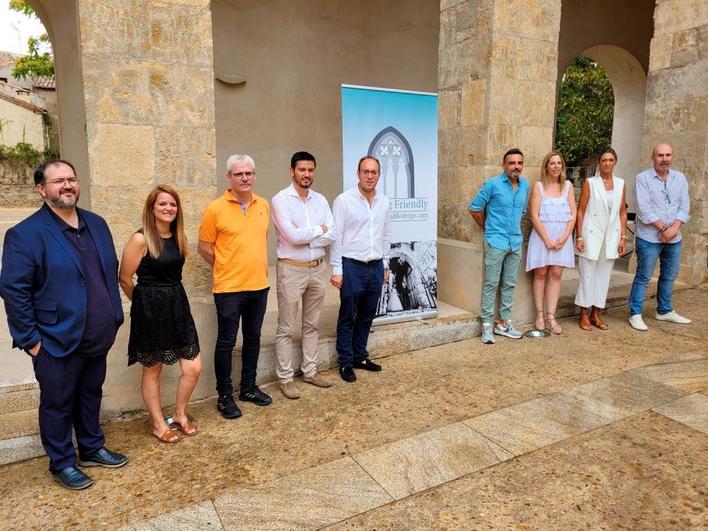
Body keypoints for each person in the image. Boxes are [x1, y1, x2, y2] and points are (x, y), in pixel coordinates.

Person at [0, 159, 127, 490]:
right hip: (54, 339)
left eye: (72, 179)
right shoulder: (24, 235)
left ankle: (91, 447)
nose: (68, 185)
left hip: (97, 334)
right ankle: (62, 462)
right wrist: (31, 341)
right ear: (42, 189)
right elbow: (14, 291)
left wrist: (114, 316)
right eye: (58, 181)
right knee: (57, 404)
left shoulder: (97, 224)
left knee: (89, 394)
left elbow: (107, 273)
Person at [119, 185, 201, 443]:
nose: (168, 208)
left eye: (172, 204)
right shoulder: (141, 239)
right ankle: (157, 423)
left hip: (177, 305)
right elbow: (124, 278)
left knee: (193, 367)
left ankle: (179, 413)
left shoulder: (178, 236)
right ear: (152, 209)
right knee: (153, 370)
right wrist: (143, 305)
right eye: (162, 204)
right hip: (151, 310)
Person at [198, 154, 272, 419]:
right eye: (238, 174)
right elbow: (204, 247)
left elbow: (258, 240)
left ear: (254, 175)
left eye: (248, 173)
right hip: (229, 289)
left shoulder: (263, 204)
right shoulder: (215, 209)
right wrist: (226, 265)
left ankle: (249, 388)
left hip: (259, 285)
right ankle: (225, 396)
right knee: (227, 342)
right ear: (229, 177)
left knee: (253, 338)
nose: (244, 178)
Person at [271, 152, 336, 399]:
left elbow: (334, 234)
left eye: (310, 170)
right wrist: (319, 230)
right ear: (292, 171)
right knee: (286, 326)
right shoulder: (281, 200)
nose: (306, 174)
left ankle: (310, 370)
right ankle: (286, 378)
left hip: (318, 268)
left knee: (312, 323)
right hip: (291, 269)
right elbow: (291, 237)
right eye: (302, 170)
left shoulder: (320, 200)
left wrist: (309, 233)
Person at [331, 156, 390, 383]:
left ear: (379, 175)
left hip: (375, 266)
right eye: (365, 171)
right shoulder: (344, 201)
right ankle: (345, 362)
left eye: (373, 172)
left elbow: (385, 235)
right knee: (348, 315)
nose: (369, 176)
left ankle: (359, 356)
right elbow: (336, 237)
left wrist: (384, 266)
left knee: (366, 315)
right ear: (358, 174)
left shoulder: (384, 202)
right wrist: (337, 269)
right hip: (351, 265)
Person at [469, 148, 530, 344]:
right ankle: (487, 326)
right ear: (504, 165)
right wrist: (488, 229)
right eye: (512, 163)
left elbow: (522, 210)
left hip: (515, 241)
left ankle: (503, 324)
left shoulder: (525, 185)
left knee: (509, 284)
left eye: (519, 163)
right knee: (491, 284)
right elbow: (475, 208)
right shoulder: (493, 184)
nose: (516, 167)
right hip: (496, 241)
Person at [628, 144, 691, 331]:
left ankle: (664, 311)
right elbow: (643, 209)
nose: (664, 159)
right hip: (649, 238)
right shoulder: (642, 179)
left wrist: (674, 229)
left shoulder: (680, 178)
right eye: (660, 155)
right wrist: (664, 228)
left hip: (674, 237)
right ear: (653, 157)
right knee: (643, 276)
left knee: (670, 275)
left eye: (668, 155)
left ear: (673, 157)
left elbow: (685, 206)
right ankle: (635, 313)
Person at [575, 148, 627, 331]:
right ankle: (583, 313)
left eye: (610, 159)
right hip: (591, 234)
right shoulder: (591, 183)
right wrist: (579, 235)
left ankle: (596, 314)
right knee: (587, 275)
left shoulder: (621, 183)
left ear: (615, 161)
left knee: (604, 276)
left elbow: (622, 211)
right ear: (599, 162)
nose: (607, 163)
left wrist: (623, 237)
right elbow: (580, 210)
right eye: (604, 160)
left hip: (610, 236)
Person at [525, 151, 577, 334]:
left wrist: (564, 238)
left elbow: (574, 214)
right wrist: (546, 239)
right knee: (540, 273)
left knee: (556, 273)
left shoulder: (568, 186)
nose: (555, 166)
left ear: (562, 166)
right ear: (546, 166)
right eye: (552, 163)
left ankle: (551, 316)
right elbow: (533, 215)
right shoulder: (538, 186)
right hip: (542, 237)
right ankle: (539, 315)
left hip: (562, 237)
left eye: (558, 163)